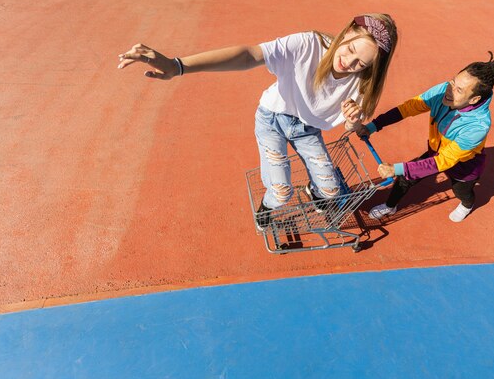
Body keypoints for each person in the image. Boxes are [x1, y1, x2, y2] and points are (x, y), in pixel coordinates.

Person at [118, 14, 398, 229]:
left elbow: (352, 127)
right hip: (273, 119)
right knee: (282, 193)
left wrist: (352, 120)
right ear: (347, 33)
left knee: (330, 190)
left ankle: (314, 189)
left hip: (307, 130)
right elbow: (251, 54)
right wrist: (178, 66)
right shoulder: (309, 45)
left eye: (360, 63)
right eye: (349, 50)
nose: (348, 63)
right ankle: (265, 212)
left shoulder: (363, 84)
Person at [351, 52, 494, 222]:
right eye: (453, 81)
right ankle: (390, 207)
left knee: (461, 191)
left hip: (464, 166)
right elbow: (409, 108)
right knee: (405, 177)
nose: (449, 90)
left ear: (474, 99)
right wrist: (373, 126)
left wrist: (396, 168)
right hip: (436, 152)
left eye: (459, 90)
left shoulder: (478, 127)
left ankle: (467, 204)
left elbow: (443, 162)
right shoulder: (444, 90)